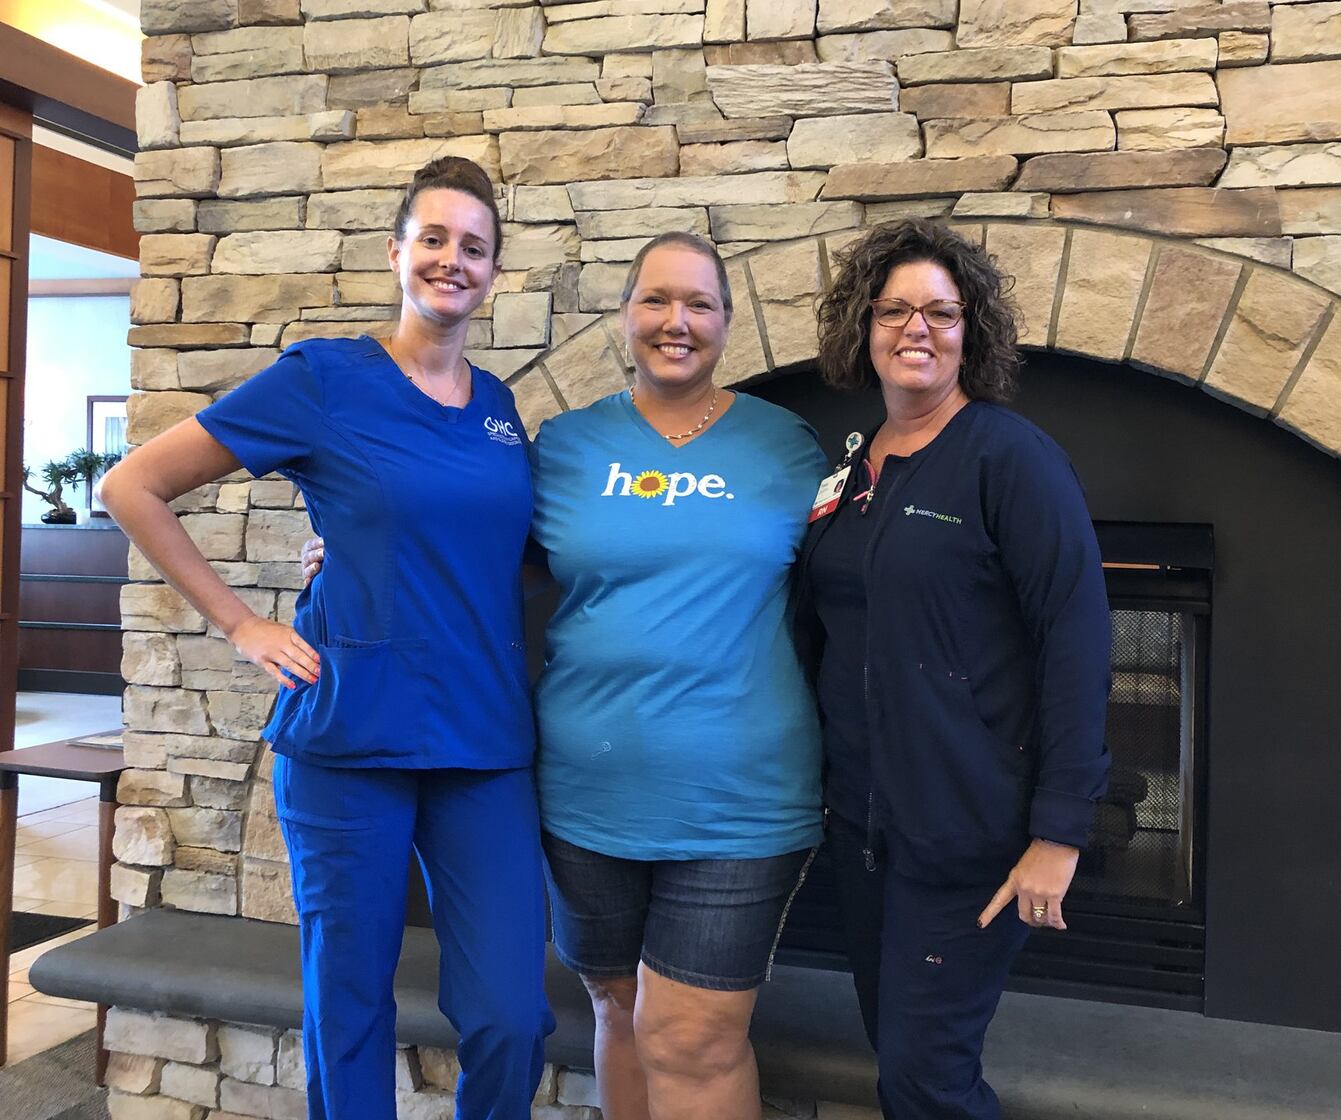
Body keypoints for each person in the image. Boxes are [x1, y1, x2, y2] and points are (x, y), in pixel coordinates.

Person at [305, 231, 826, 1120]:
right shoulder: (564, 447)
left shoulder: (790, 450)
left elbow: (858, 577)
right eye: (656, 299)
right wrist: (356, 554)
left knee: (692, 1037)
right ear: (624, 314)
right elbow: (475, 551)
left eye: (699, 304)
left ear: (728, 324)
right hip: (584, 796)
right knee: (618, 1011)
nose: (677, 321)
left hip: (738, 797)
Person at [101, 157, 553, 1120]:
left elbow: (492, 549)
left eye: (474, 246)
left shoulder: (501, 412)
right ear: (397, 253)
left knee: (513, 1013)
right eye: (433, 239)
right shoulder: (323, 378)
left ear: (494, 273)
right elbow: (131, 487)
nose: (451, 260)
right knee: (348, 1008)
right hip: (349, 735)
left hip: (483, 742)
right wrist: (241, 622)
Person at [798, 219, 1112, 1120]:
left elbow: (1077, 638)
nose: (916, 330)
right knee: (902, 1059)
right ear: (864, 327)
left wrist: (1060, 833)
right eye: (894, 310)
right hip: (863, 831)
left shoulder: (1009, 458)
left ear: (972, 332)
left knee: (925, 1080)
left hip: (968, 838)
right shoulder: (854, 467)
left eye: (941, 311)